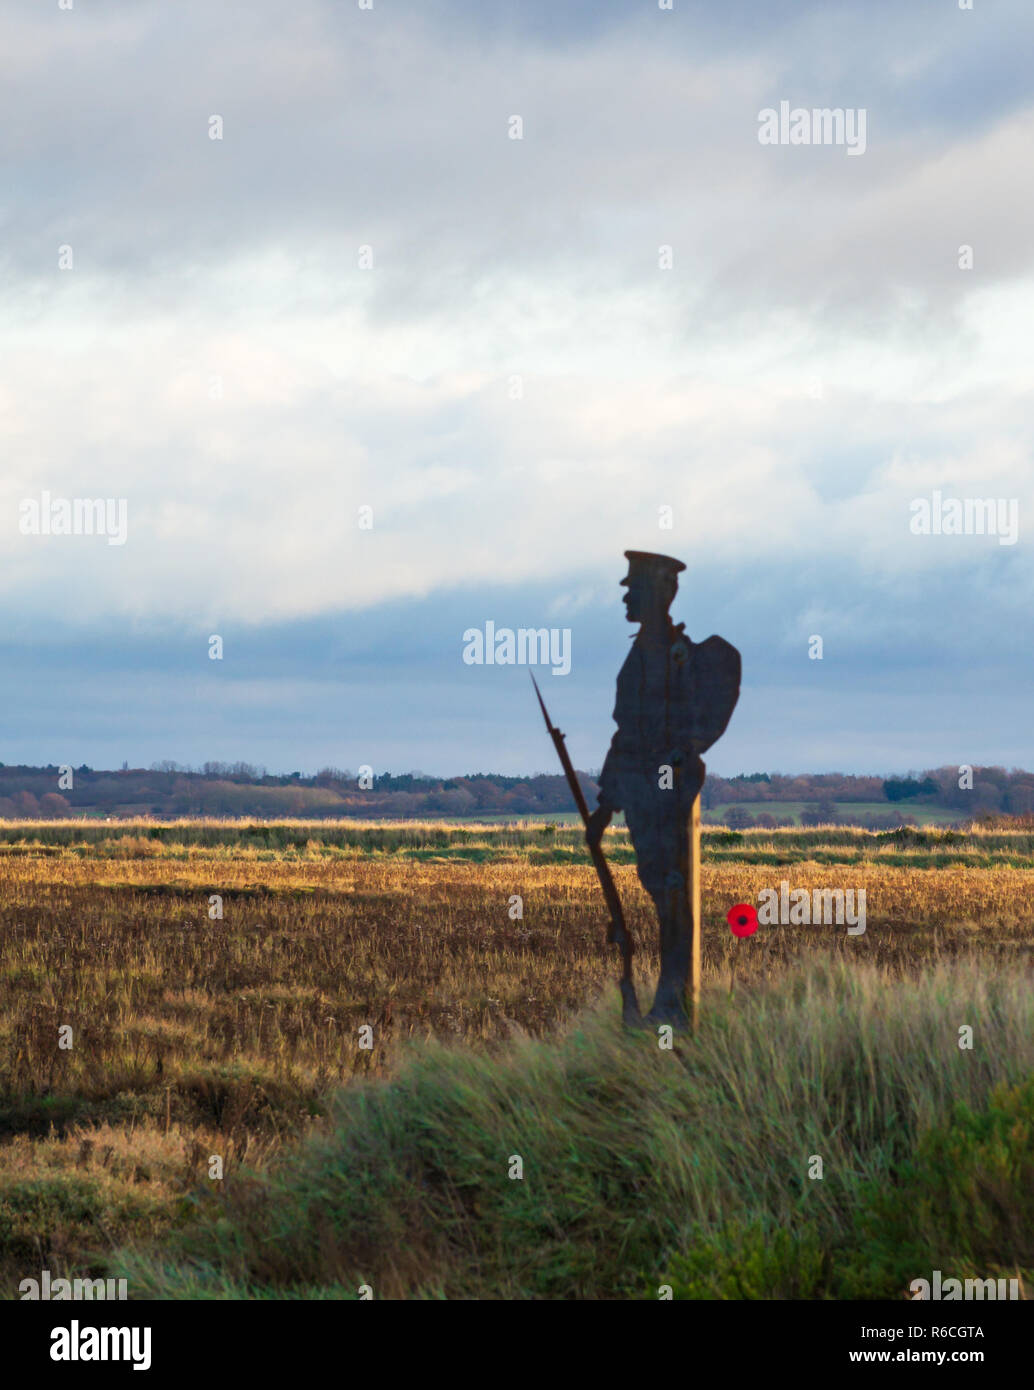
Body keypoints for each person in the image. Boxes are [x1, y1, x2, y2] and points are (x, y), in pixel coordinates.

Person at [586, 551, 740, 1025]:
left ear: (660, 593)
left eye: (634, 587)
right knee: (658, 889)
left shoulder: (684, 659)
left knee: (672, 894)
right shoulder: (638, 657)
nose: (626, 595)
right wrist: (606, 805)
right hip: (638, 796)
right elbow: (624, 734)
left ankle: (673, 1003)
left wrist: (665, 771)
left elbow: (689, 732)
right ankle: (665, 1003)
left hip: (665, 795)